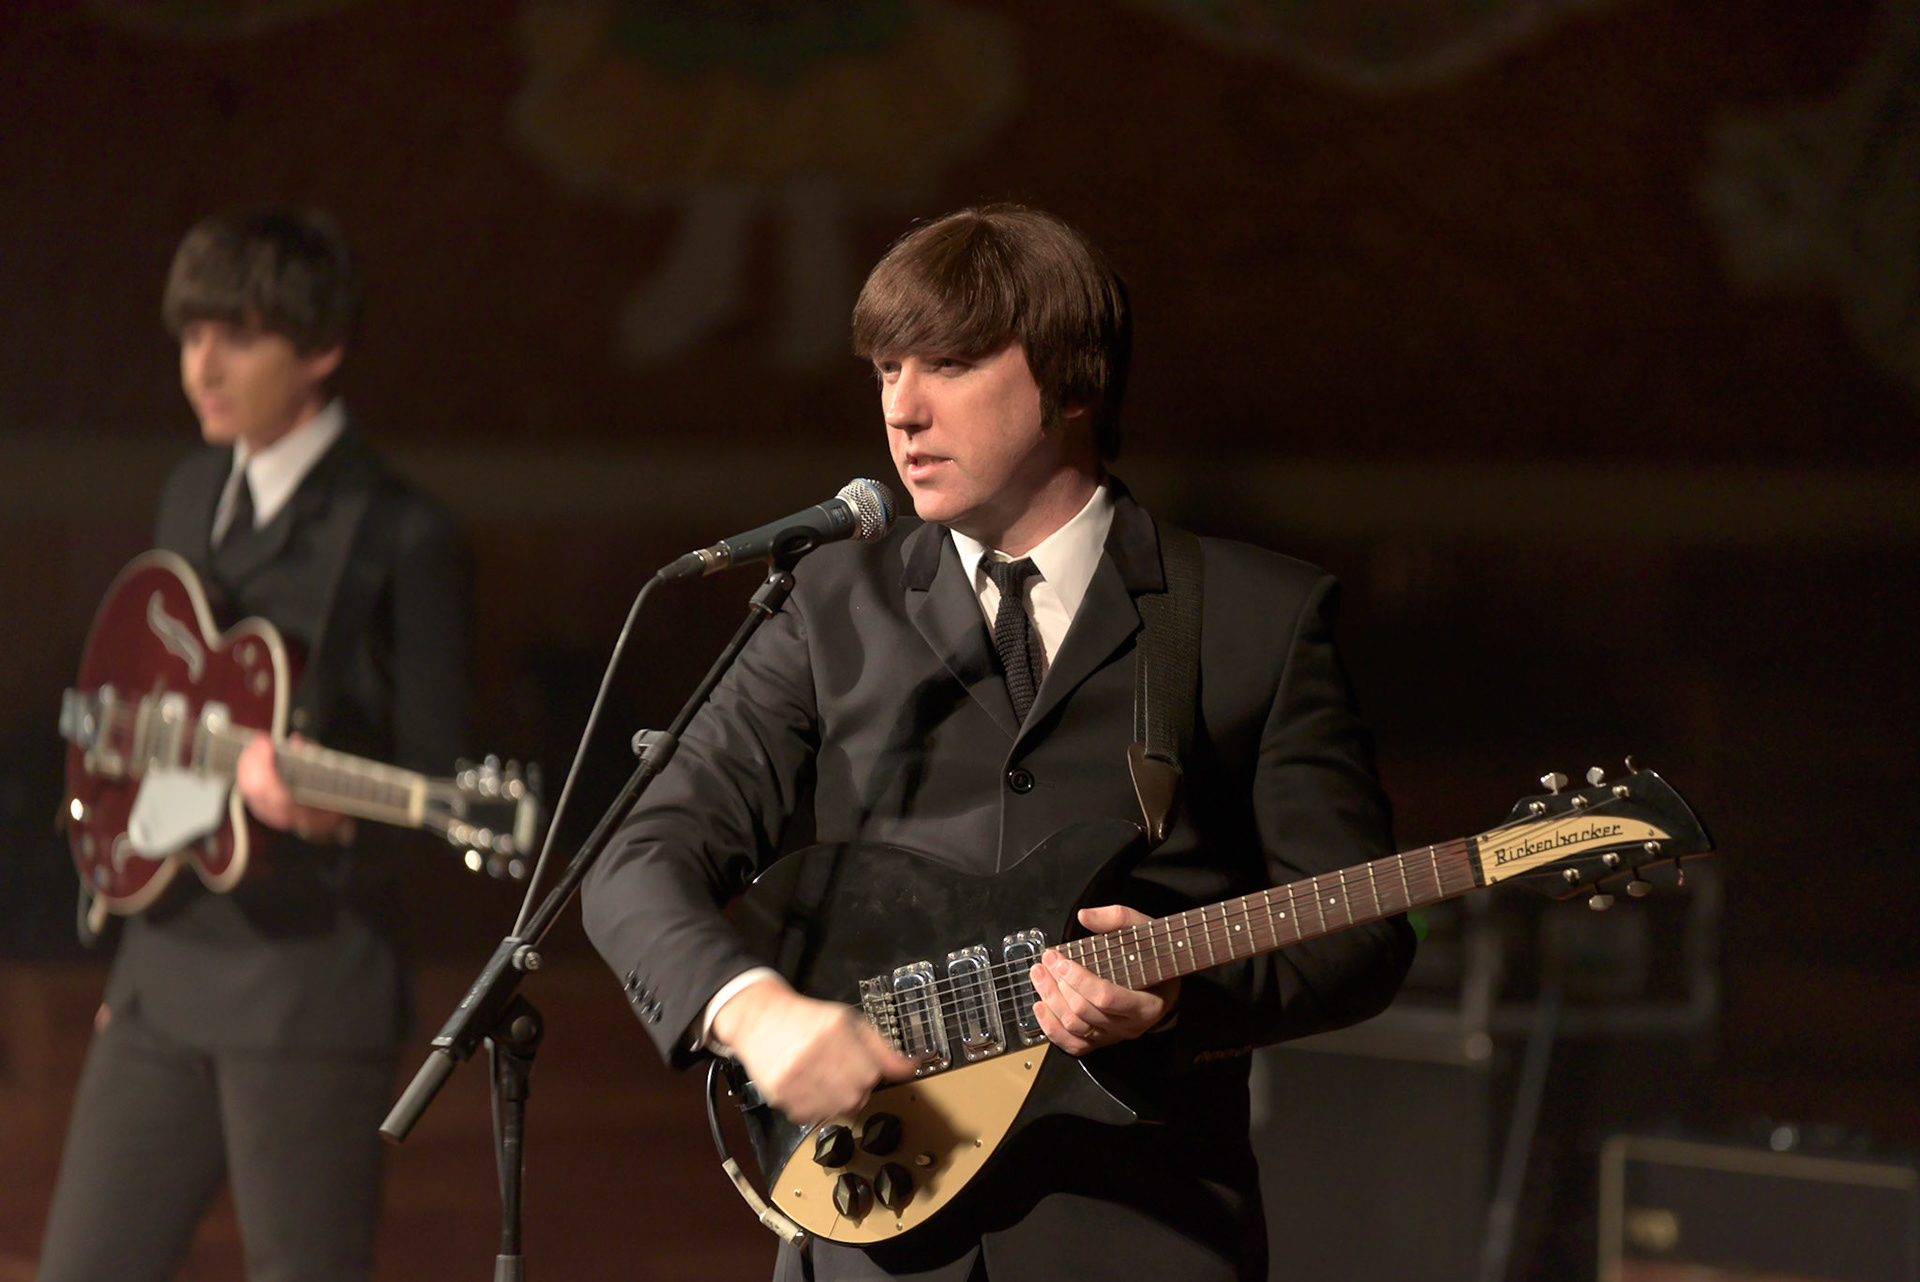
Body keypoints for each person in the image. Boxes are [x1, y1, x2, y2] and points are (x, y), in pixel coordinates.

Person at [581, 204, 1414, 1281]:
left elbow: (1360, 933)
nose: (903, 410)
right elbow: (637, 855)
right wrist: (755, 1011)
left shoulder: (1259, 615)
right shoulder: (828, 602)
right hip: (871, 1229)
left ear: (1073, 382)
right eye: (886, 369)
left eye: (951, 363)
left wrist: (1179, 999)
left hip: (1140, 1231)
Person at [38, 208, 473, 1282]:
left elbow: (445, 787)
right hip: (161, 971)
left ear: (321, 349)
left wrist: (327, 814)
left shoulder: (404, 536)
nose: (202, 367)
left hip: (309, 989)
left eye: (236, 336)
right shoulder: (191, 488)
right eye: (190, 336)